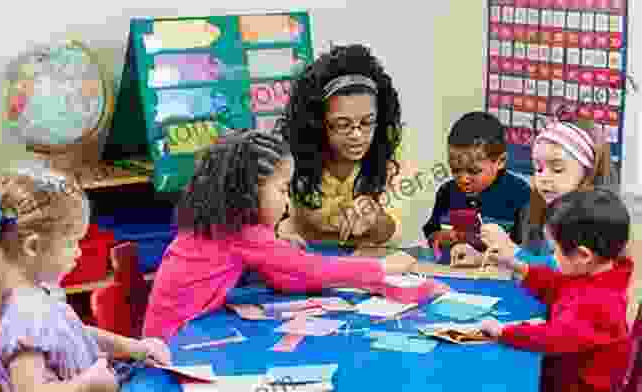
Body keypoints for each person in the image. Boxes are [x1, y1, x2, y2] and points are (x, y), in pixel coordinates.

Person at [142, 130, 450, 340]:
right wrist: (381, 269)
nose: (288, 202)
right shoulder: (241, 232)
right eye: (282, 190)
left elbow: (284, 277)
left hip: (173, 333)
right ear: (249, 190)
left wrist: (278, 251)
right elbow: (310, 269)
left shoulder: (224, 222)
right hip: (170, 345)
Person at [0, 166, 171, 392]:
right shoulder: (23, 317)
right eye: (71, 242)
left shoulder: (41, 294)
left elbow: (77, 333)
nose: (78, 252)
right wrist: (86, 385)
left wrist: (136, 348)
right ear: (33, 246)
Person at [480, 189, 632, 392]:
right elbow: (558, 286)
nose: (553, 256)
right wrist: (516, 266)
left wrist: (503, 332)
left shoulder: (599, 302)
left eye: (555, 250)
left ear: (583, 255)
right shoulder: (598, 277)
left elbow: (552, 338)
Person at [275, 44, 405, 248]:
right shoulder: (289, 162)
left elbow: (394, 232)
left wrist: (375, 218)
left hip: (366, 266)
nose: (357, 135)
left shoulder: (389, 162)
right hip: (305, 264)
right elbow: (273, 225)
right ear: (316, 123)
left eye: (367, 122)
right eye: (342, 124)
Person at [479, 117, 616, 268]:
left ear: (589, 172)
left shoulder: (600, 222)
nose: (544, 178)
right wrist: (486, 258)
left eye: (557, 169)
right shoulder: (537, 213)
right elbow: (529, 264)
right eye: (538, 168)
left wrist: (511, 250)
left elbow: (564, 272)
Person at [423, 111, 530, 253]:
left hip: (501, 272)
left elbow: (526, 252)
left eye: (473, 171)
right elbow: (432, 233)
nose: (463, 179)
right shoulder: (447, 192)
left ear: (501, 161)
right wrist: (439, 238)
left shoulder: (520, 194)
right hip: (454, 269)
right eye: (455, 170)